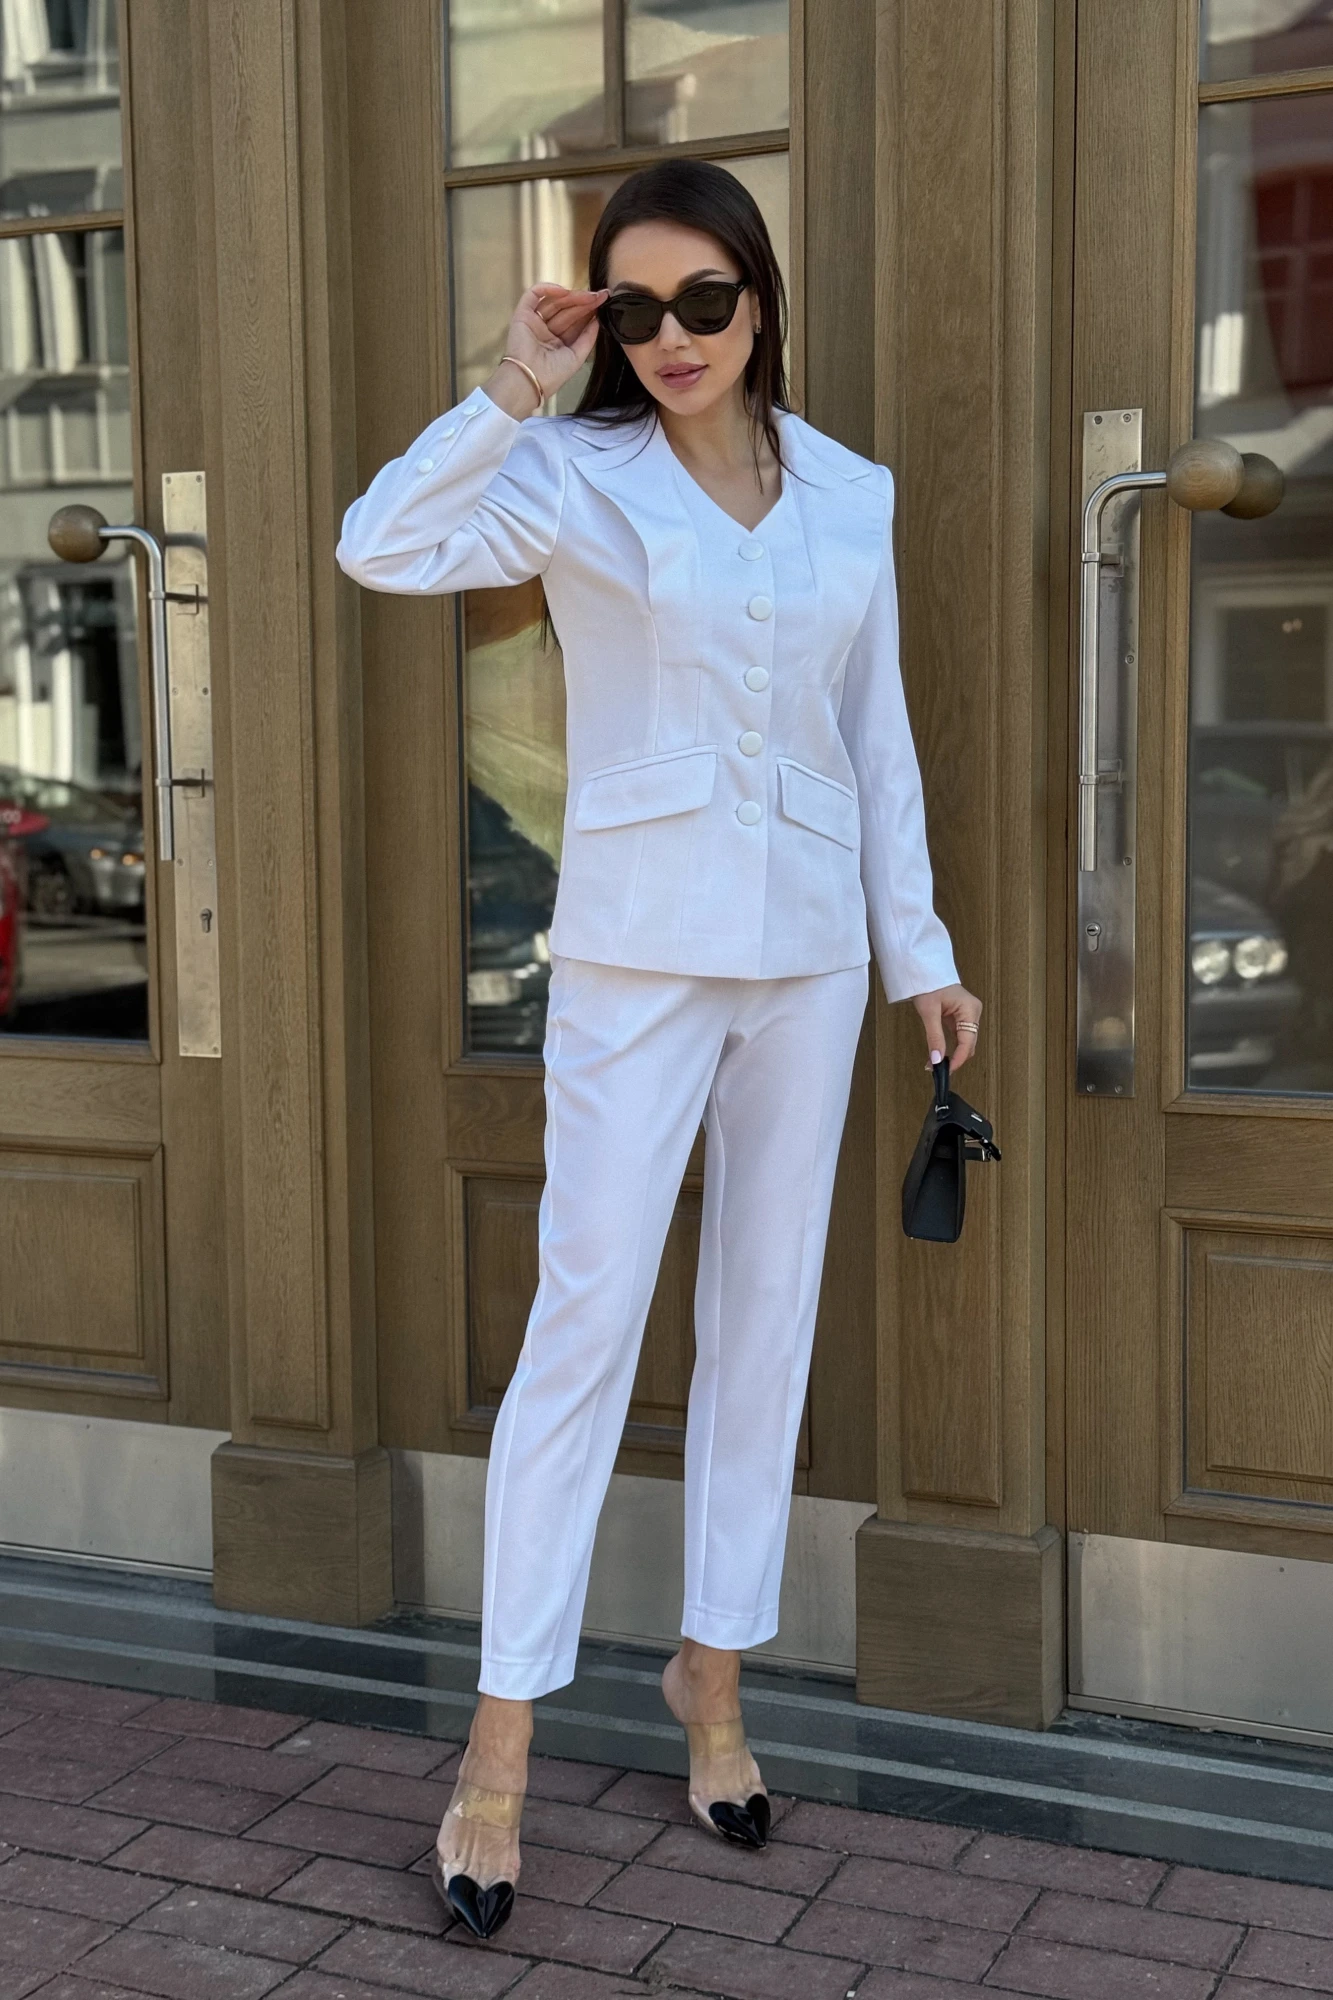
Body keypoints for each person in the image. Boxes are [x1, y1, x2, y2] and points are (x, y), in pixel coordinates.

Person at [337, 156, 982, 1941]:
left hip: (808, 958)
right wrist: (511, 384)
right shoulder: (569, 471)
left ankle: (715, 1671)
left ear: (760, 298)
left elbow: (875, 733)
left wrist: (919, 953)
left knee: (764, 1318)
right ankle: (500, 1740)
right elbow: (379, 546)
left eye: (708, 299)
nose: (677, 336)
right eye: (638, 307)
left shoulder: (852, 492)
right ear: (605, 319)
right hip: (633, 953)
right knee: (586, 1325)